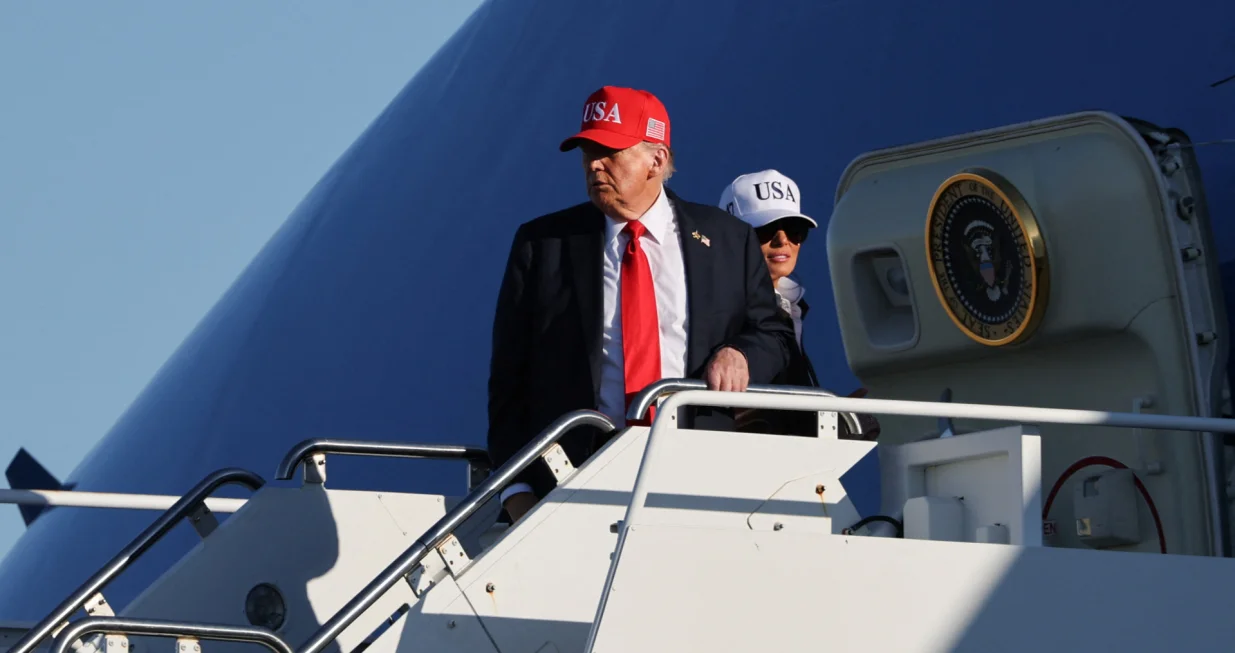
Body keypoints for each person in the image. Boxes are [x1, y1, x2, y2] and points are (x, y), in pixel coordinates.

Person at [488, 86, 795, 523]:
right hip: (576, 485)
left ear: (656, 159)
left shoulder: (727, 239)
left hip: (702, 477)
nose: (594, 163)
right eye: (588, 150)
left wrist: (741, 352)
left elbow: (775, 335)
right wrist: (516, 492)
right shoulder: (544, 245)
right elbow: (509, 381)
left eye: (610, 150)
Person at [719, 169, 880, 440]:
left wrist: (837, 419)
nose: (783, 241)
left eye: (795, 230)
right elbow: (741, 416)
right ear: (730, 238)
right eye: (765, 230)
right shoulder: (712, 305)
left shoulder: (789, 304)